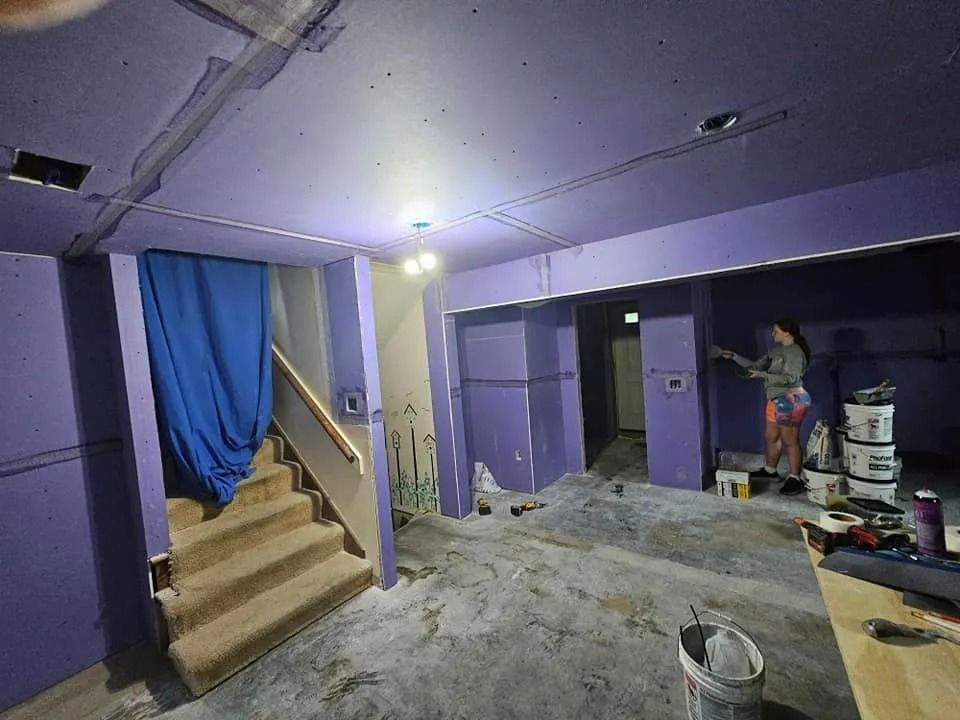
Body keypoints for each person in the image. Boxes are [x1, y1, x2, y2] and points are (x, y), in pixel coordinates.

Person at [720, 319, 812, 495]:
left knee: (790, 441)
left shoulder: (795, 352)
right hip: (775, 400)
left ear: (787, 332)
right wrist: (734, 357)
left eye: (776, 331)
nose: (772, 334)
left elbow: (791, 379)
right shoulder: (776, 351)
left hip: (791, 399)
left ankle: (795, 478)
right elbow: (755, 366)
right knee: (771, 436)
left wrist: (762, 375)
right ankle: (770, 471)